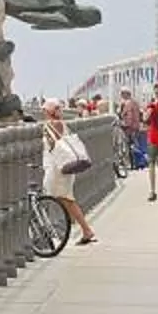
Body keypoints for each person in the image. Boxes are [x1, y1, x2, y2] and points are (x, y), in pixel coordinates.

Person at [40, 102, 97, 246]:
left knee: (60, 199)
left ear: (48, 111)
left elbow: (54, 144)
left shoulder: (50, 125)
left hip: (57, 168)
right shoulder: (61, 124)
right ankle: (75, 227)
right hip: (64, 167)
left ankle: (81, 229)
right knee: (64, 199)